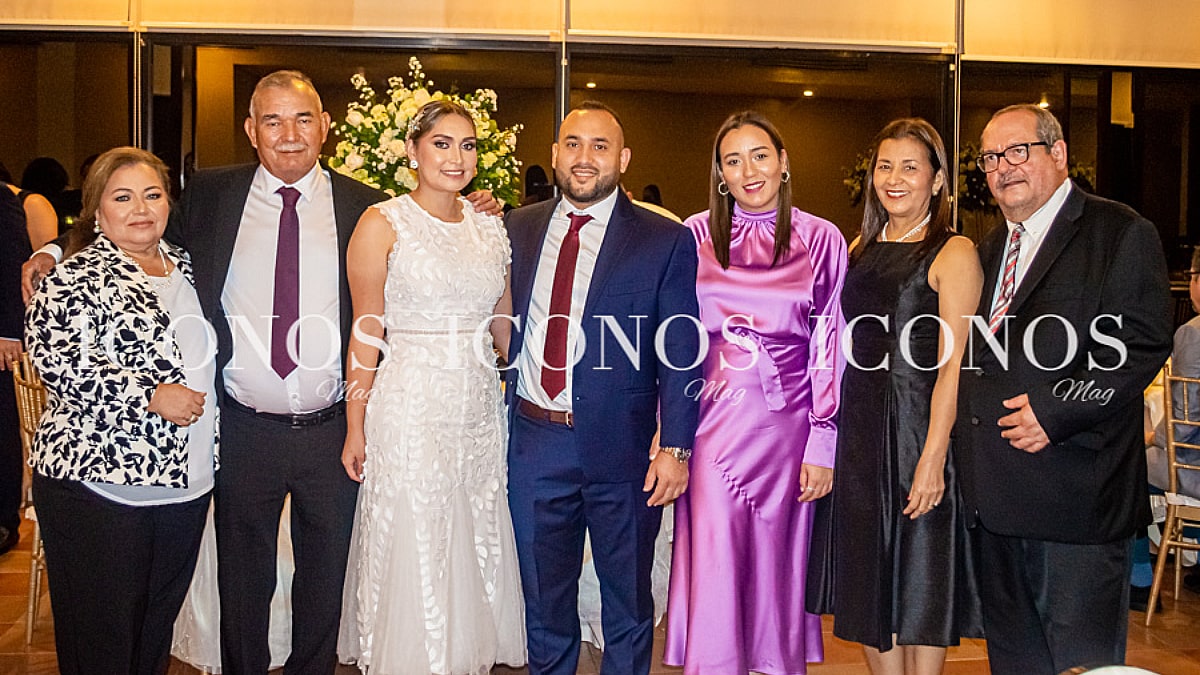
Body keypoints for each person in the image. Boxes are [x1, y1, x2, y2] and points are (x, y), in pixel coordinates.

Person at [22, 70, 501, 674]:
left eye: (302, 119)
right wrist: (52, 250)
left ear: (325, 127)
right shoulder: (212, 195)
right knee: (242, 584)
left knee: (326, 579)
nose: (289, 134)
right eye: (272, 120)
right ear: (251, 130)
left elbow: (434, 234)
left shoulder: (367, 208)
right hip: (242, 427)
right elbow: (136, 226)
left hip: (334, 426)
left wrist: (473, 205)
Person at [955, 103, 1172, 673]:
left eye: (1016, 151)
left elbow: (1142, 343)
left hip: (1076, 503)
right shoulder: (988, 250)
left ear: (1058, 154)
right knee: (1015, 663)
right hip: (996, 507)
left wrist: (1056, 413)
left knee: (1082, 664)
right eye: (990, 158)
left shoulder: (1119, 232)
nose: (1002, 167)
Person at [503, 101, 701, 675]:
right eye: (572, 144)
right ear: (554, 154)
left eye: (599, 146)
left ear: (624, 158)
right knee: (543, 602)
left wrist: (676, 447)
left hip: (625, 450)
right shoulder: (517, 228)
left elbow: (682, 352)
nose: (584, 157)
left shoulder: (664, 239)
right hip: (536, 441)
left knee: (628, 604)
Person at [337, 99, 525, 673]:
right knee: (419, 528)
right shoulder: (382, 223)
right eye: (442, 144)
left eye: (467, 146)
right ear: (413, 151)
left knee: (477, 524)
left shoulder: (490, 226)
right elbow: (366, 329)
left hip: (478, 405)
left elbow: (502, 324)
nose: (456, 157)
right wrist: (354, 424)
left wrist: (535, 379)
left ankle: (464, 654)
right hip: (410, 403)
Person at [663, 110, 845, 674]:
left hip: (789, 428)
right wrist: (667, 430)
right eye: (733, 160)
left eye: (760, 156)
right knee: (716, 554)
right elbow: (674, 337)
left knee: (776, 559)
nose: (749, 171)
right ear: (719, 173)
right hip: (712, 423)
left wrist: (823, 440)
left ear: (783, 162)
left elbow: (829, 341)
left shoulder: (822, 238)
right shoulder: (694, 234)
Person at [24, 146, 218, 675]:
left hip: (186, 486)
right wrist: (149, 394)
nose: (141, 209)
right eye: (123, 197)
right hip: (99, 488)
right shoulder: (70, 278)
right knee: (101, 642)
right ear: (97, 209)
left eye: (152, 195)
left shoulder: (191, 267)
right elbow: (58, 360)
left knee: (153, 635)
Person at [808, 118, 984, 675]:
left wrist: (933, 457)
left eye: (911, 167)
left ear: (937, 179)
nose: (895, 178)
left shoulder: (954, 251)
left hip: (918, 430)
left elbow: (957, 365)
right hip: (859, 432)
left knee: (921, 576)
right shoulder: (859, 246)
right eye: (885, 166)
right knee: (867, 576)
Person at [0, 178, 56, 557]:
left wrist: (8, 331)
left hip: (4, 342)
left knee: (3, 428)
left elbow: (11, 262)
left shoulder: (5, 199)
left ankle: (4, 520)